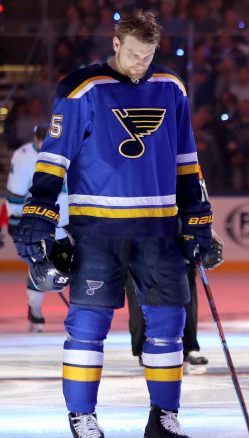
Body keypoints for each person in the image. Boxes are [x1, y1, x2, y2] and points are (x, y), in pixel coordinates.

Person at [12, 11, 211, 438]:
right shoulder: (81, 88)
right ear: (116, 44)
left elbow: (186, 159)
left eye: (148, 55)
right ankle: (82, 418)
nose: (141, 63)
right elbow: (55, 156)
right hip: (97, 230)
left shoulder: (171, 87)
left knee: (169, 325)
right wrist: (40, 208)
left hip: (159, 229)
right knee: (88, 326)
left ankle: (164, 417)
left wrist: (197, 213)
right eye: (134, 54)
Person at [128, 230, 225, 375]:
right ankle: (143, 347)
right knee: (140, 290)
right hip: (137, 233)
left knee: (185, 291)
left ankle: (186, 348)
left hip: (176, 235)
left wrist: (204, 228)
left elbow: (193, 214)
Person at [6, 124, 70, 332]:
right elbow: (16, 192)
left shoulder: (70, 151)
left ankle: (80, 309)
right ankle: (35, 308)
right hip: (41, 222)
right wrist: (15, 220)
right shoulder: (24, 156)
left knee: (71, 266)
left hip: (69, 221)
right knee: (40, 267)